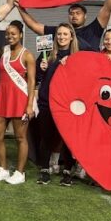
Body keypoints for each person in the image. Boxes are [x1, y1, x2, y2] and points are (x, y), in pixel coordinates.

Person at [0, 21, 36, 186]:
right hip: (2, 98)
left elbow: (31, 82)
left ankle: (20, 173)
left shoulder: (27, 55)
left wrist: (29, 105)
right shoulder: (4, 51)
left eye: (13, 34)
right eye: (8, 34)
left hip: (19, 100)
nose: (10, 36)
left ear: (21, 35)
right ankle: (3, 169)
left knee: (20, 137)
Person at [32, 22, 79, 185]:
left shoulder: (76, 57)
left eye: (65, 34)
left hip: (67, 105)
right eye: (59, 34)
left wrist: (70, 63)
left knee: (67, 138)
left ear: (71, 37)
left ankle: (67, 171)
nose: (61, 37)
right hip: (47, 101)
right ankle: (45, 170)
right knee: (46, 137)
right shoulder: (47, 54)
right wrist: (42, 68)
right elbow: (38, 77)